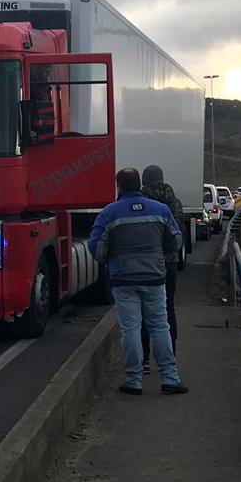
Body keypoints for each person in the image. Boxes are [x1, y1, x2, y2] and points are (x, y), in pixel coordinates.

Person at [87, 168, 188, 396]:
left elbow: (97, 249)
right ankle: (170, 379)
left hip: (124, 279)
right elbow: (176, 240)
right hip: (154, 277)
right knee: (160, 326)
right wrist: (158, 255)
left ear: (119, 186)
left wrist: (113, 258)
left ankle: (134, 380)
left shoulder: (109, 213)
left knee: (131, 329)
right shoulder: (161, 210)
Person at [138, 164, 184, 367]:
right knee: (168, 308)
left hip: (145, 262)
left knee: (143, 311)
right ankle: (170, 355)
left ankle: (145, 358)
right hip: (169, 261)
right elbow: (177, 229)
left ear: (144, 180)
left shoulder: (141, 200)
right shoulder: (173, 201)